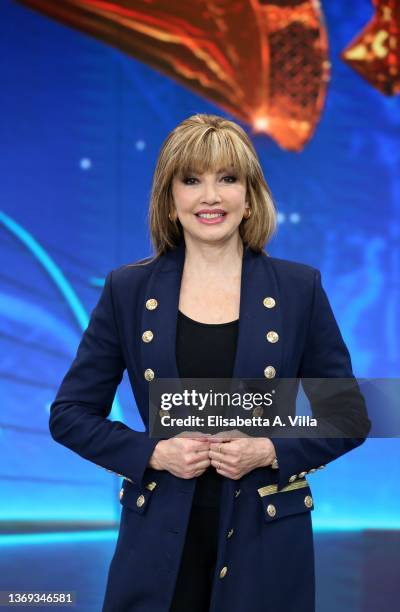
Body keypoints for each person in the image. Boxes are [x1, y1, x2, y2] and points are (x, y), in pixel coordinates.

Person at [49, 113, 371, 612]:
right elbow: (69, 415)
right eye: (192, 180)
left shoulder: (298, 288)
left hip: (265, 539)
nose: (210, 196)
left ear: (249, 197)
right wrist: (153, 453)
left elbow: (348, 416)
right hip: (159, 540)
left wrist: (267, 449)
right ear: (171, 200)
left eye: (228, 179)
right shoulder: (128, 291)